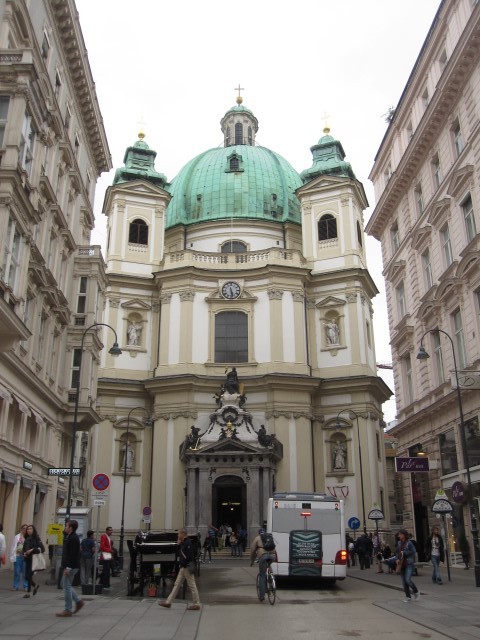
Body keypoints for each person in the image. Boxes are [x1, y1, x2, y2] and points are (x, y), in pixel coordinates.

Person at [158, 529, 200, 610]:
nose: (177, 535)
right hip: (183, 567)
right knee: (177, 584)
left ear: (183, 534)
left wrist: (185, 564)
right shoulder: (184, 542)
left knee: (192, 585)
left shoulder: (187, 543)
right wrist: (179, 543)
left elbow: (189, 556)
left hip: (186, 567)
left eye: (179, 534)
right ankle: (168, 602)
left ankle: (197, 603)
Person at [56, 520, 85, 617]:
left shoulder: (73, 538)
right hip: (71, 565)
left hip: (71, 566)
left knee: (66, 587)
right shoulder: (71, 537)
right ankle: (78, 601)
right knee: (65, 585)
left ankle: (68, 609)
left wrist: (68, 567)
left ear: (71, 528)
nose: (65, 527)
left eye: (66, 526)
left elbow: (73, 554)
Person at [250, 528, 276, 602]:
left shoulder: (257, 538)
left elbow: (252, 550)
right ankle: (271, 582)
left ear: (259, 533)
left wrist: (252, 561)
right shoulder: (270, 537)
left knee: (262, 575)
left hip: (263, 556)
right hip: (272, 556)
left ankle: (262, 595)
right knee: (269, 567)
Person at [396, 528, 420, 602]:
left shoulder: (409, 543)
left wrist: (405, 552)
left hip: (409, 563)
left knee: (408, 580)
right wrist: (397, 559)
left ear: (404, 535)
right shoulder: (399, 543)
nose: (399, 536)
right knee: (404, 582)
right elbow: (397, 552)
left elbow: (414, 551)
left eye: (400, 534)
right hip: (401, 563)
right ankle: (408, 596)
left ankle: (416, 591)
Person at [23, 524, 45, 598]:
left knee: (28, 576)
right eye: (28, 529)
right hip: (27, 559)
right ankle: (35, 586)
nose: (29, 530)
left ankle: (28, 593)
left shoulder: (36, 538)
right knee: (26, 576)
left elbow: (42, 549)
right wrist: (24, 553)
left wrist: (32, 550)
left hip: (34, 560)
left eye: (30, 529)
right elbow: (25, 548)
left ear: (33, 530)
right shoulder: (26, 538)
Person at [10, 524, 28, 591]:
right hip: (18, 556)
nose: (25, 530)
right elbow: (13, 546)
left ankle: (25, 586)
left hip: (25, 557)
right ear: (21, 529)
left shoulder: (28, 537)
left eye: (26, 528)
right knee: (17, 572)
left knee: (25, 573)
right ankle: (15, 586)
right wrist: (12, 556)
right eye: (23, 528)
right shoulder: (17, 537)